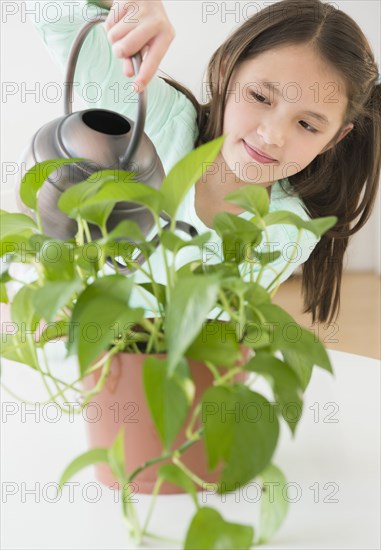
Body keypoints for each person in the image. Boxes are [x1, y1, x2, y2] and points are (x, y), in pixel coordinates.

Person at [27, 0, 380, 324]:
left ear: (334, 138)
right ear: (227, 72)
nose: (273, 135)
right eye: (259, 96)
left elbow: (207, 336)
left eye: (307, 124)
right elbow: (54, 15)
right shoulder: (157, 119)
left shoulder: (287, 229)